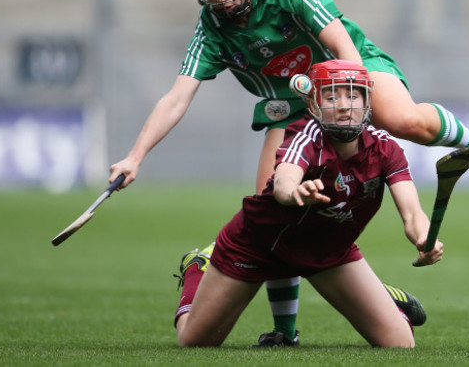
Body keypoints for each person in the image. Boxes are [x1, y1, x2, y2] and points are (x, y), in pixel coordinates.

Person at [109, 0, 469, 346]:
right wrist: (135, 156)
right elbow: (177, 98)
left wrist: (350, 113)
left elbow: (344, 47)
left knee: (403, 120)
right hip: (294, 104)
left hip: (350, 76)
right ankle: (285, 331)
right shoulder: (211, 30)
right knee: (271, 210)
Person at [174, 60, 443, 348]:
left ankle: (385, 303)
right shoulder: (305, 135)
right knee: (195, 342)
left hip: (328, 251)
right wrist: (296, 192)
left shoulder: (386, 149)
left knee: (401, 344)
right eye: (331, 96)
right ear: (314, 104)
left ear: (367, 101)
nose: (343, 106)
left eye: (353, 95)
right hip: (258, 245)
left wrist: (425, 238)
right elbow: (283, 182)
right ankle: (198, 268)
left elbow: (413, 214)